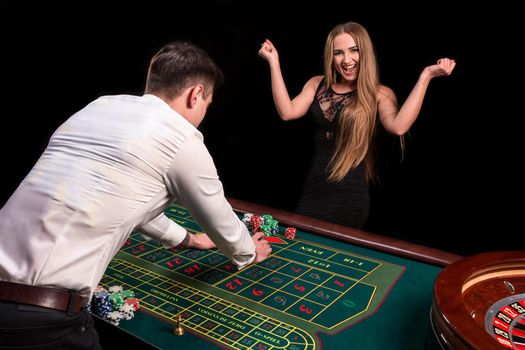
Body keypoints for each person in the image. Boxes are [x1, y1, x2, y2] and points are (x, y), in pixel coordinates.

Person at [0, 40, 272, 349]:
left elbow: (120, 197)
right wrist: (248, 251)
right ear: (196, 94)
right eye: (207, 104)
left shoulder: (99, 107)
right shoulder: (182, 137)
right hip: (39, 320)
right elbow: (220, 220)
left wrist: (189, 239)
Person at [258, 21, 455, 229]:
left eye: (354, 51)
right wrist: (274, 62)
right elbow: (287, 112)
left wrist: (426, 77)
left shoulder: (379, 94)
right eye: (338, 53)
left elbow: (398, 127)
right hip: (313, 190)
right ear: (331, 57)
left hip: (348, 198)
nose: (347, 60)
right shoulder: (317, 84)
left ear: (365, 53)